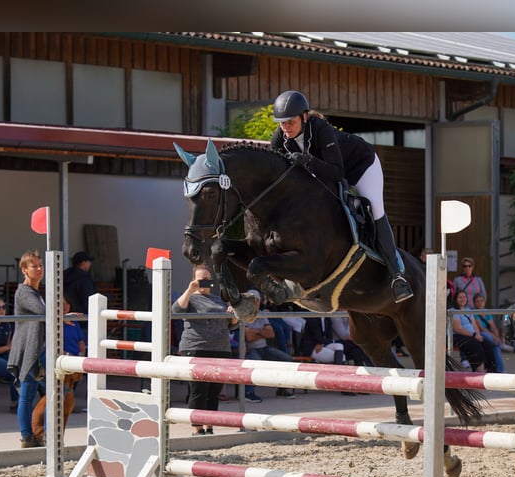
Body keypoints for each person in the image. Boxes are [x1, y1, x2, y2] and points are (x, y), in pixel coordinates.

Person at [270, 90, 412, 303]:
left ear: (304, 117)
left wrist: (307, 160)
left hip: (361, 166)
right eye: (282, 123)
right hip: (323, 173)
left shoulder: (321, 130)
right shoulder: (280, 138)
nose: (286, 127)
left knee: (375, 210)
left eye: (291, 122)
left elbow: (337, 171)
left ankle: (397, 276)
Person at [172, 264, 237, 435]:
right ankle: (197, 427)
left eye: (208, 279)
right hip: (196, 348)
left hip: (220, 348)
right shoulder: (189, 298)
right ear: (194, 280)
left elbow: (231, 326)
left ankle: (210, 425)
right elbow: (176, 310)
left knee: (214, 391)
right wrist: (190, 289)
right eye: (202, 279)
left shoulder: (218, 299)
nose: (206, 283)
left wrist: (232, 315)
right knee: (198, 390)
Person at [7, 249, 47, 448]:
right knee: (51, 390)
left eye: (41, 265)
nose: (39, 269)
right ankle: (32, 434)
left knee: (31, 393)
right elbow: (43, 312)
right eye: (35, 266)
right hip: (30, 351)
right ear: (24, 270)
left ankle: (32, 435)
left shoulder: (35, 292)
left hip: (36, 349)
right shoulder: (24, 292)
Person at [31, 296, 84, 443]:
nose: (64, 307)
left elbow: (81, 342)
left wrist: (81, 354)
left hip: (73, 361)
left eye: (66, 304)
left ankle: (58, 436)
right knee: (58, 396)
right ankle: (42, 433)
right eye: (60, 305)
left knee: (65, 400)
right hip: (61, 361)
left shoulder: (74, 322)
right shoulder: (54, 323)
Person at [243, 289, 295, 400]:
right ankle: (248, 393)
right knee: (253, 363)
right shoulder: (243, 315)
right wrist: (262, 332)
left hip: (264, 348)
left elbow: (271, 333)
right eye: (252, 300)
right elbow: (249, 337)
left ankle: (282, 389)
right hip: (250, 349)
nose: (255, 303)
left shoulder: (262, 314)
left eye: (257, 300)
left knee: (286, 359)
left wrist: (256, 332)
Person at [450, 289, 495, 372]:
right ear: (455, 299)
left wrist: (478, 334)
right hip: (457, 336)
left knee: (486, 344)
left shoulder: (468, 310)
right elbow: (457, 328)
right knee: (475, 345)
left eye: (464, 297)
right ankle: (478, 369)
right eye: (460, 297)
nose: (462, 299)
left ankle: (490, 369)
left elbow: (474, 325)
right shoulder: (454, 311)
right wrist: (474, 336)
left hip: (472, 335)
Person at [473, 293, 505, 373]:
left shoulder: (486, 311)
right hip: (481, 332)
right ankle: (501, 370)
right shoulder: (473, 312)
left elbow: (492, 325)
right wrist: (494, 336)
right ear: (474, 303)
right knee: (494, 342)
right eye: (477, 301)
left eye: (481, 301)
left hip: (489, 332)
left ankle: (500, 369)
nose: (479, 303)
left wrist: (496, 335)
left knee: (495, 346)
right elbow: (480, 327)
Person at [64, 251, 97, 315]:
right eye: (88, 261)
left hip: (67, 316)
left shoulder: (64, 276)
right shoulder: (84, 279)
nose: (90, 264)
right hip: (82, 316)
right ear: (83, 263)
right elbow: (89, 299)